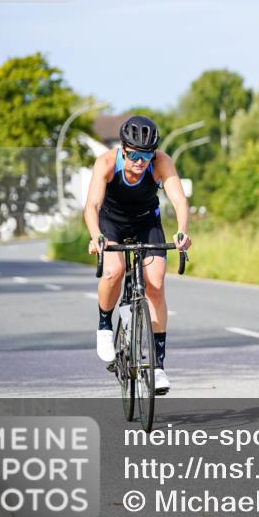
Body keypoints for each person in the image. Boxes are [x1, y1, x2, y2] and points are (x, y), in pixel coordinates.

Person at [83, 115, 192, 393]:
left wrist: (181, 231)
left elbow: (179, 199)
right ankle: (105, 325)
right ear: (122, 148)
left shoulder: (161, 162)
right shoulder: (106, 163)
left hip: (146, 222)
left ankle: (158, 367)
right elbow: (92, 205)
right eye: (133, 155)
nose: (139, 162)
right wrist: (96, 235)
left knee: (155, 284)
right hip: (111, 223)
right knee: (114, 271)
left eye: (146, 155)